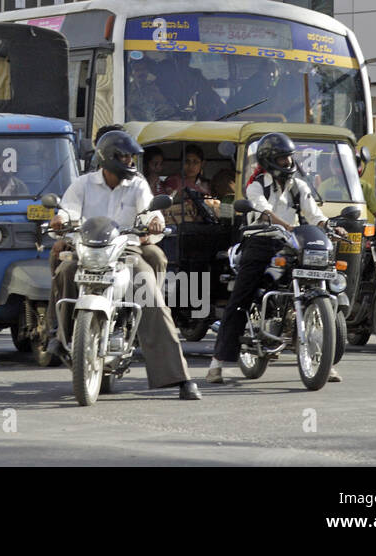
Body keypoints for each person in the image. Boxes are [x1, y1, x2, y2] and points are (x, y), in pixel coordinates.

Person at [47, 130, 201, 400]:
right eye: (124, 156)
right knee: (65, 271)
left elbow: (150, 210)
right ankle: (60, 338)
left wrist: (155, 221)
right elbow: (68, 209)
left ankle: (180, 377)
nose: (130, 161)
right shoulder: (83, 184)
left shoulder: (138, 184)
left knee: (148, 289)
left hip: (125, 248)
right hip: (87, 248)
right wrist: (61, 219)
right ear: (108, 158)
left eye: (131, 157)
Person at [207, 132, 347, 384]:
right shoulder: (256, 184)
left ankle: (325, 361)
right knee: (241, 298)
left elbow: (313, 214)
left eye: (289, 157)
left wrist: (330, 226)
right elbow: (264, 211)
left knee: (320, 284)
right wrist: (287, 226)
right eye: (283, 158)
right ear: (270, 159)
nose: (288, 162)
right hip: (260, 243)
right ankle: (217, 362)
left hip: (290, 244)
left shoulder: (299, 185)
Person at [164, 144, 222, 224]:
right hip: (180, 224)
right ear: (181, 163)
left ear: (202, 164)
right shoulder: (173, 181)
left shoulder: (208, 185)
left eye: (195, 162)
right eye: (187, 161)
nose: (191, 166)